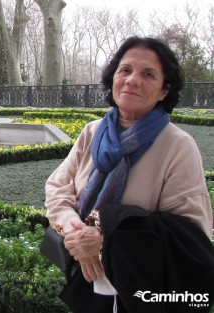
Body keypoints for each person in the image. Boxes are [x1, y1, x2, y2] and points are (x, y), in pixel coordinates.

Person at [44, 36, 214, 312]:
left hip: (139, 289)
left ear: (164, 90)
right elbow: (57, 187)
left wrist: (105, 237)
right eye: (125, 70)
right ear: (113, 78)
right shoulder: (93, 132)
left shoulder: (176, 145)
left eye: (148, 74)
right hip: (87, 278)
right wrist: (76, 233)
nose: (133, 80)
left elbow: (189, 230)